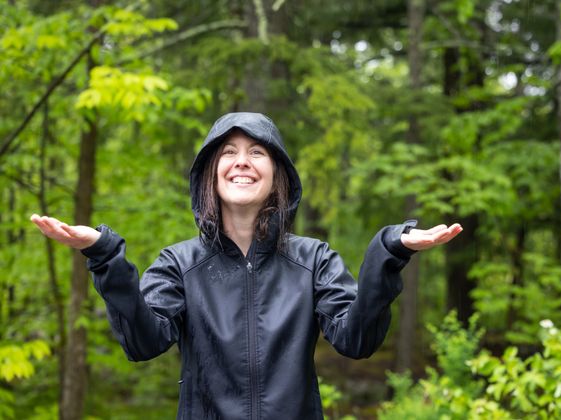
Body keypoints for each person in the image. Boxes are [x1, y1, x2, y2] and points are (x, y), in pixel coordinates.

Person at [31, 112, 462, 419]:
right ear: (210, 174)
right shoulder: (178, 264)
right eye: (228, 152)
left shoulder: (313, 260)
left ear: (278, 175)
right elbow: (142, 343)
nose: (241, 161)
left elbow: (357, 340)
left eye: (257, 151)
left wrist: (387, 251)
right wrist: (105, 254)